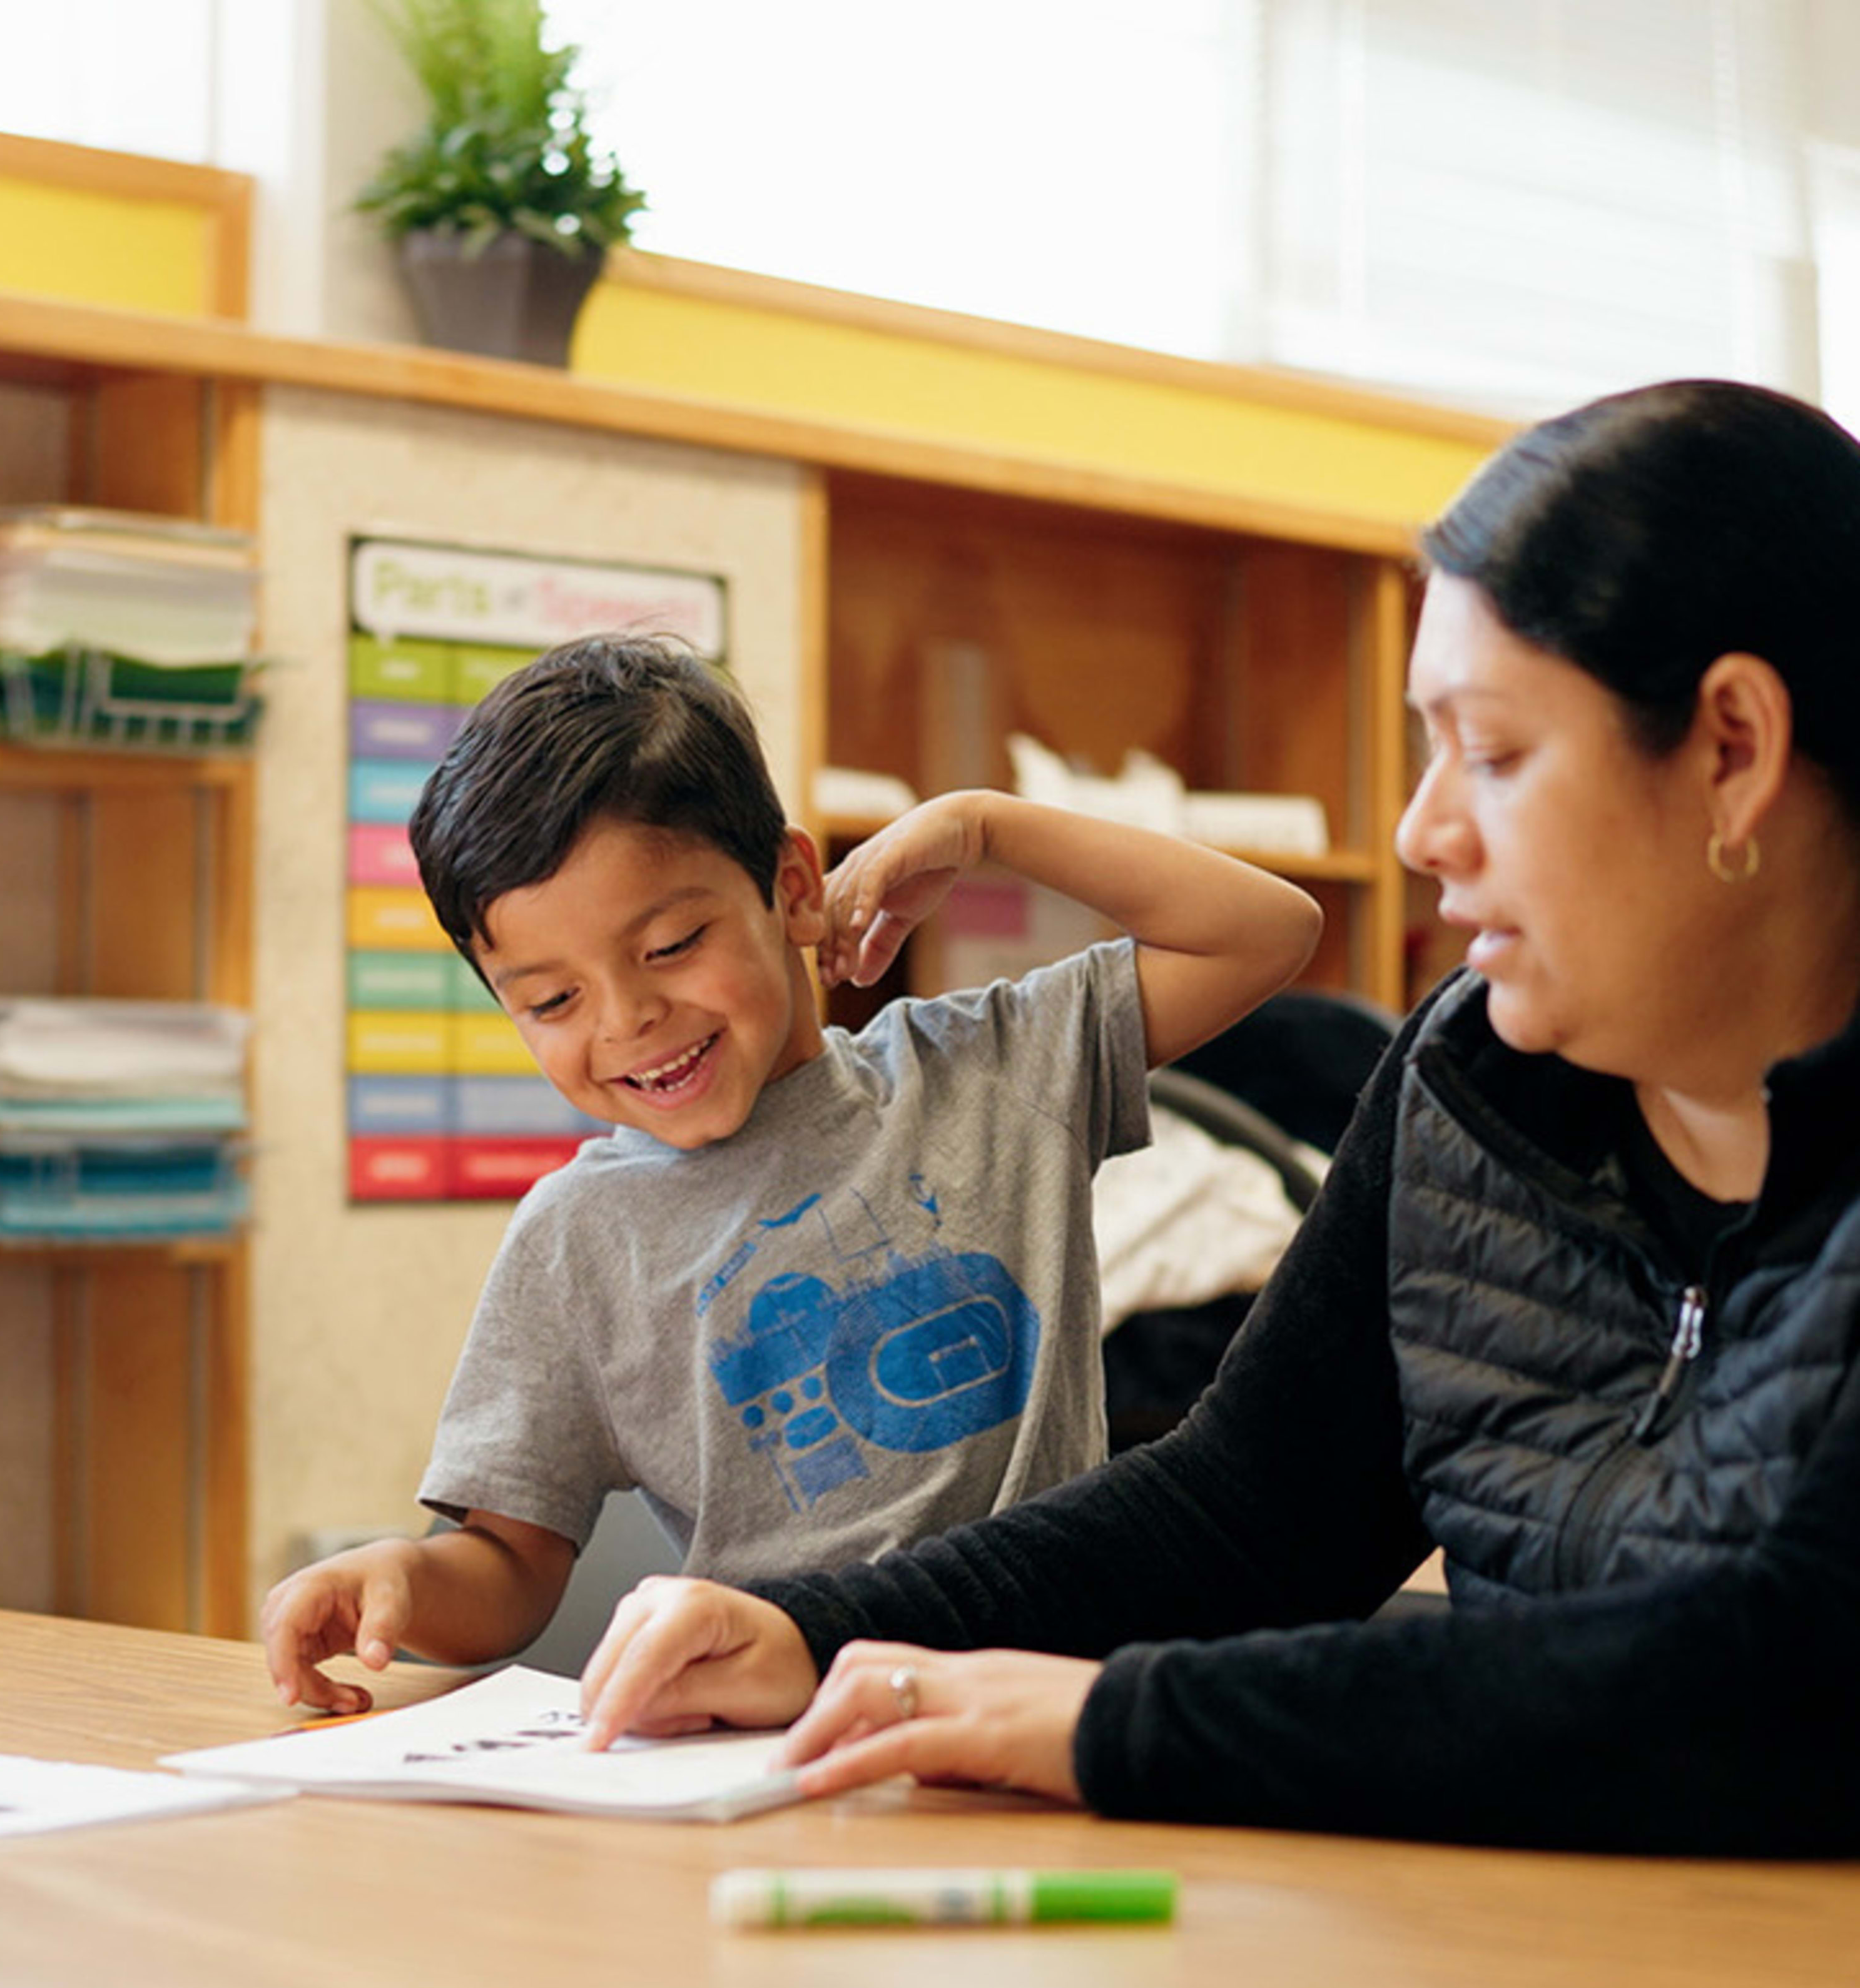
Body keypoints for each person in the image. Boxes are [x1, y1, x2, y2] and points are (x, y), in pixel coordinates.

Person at [579, 379, 1860, 1857]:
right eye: (1427, 748)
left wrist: (1112, 1723)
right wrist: (813, 1633)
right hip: (1568, 1985)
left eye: (1494, 754)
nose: (1422, 829)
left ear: (1733, 750)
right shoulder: (1474, 1086)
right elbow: (1250, 1513)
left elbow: (1785, 1671)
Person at [264, 633, 1321, 1708]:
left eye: (672, 944)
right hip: (771, 1741)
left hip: (1042, 1709)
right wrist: (400, 1578)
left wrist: (984, 822)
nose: (628, 1019)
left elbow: (1266, 932)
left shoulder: (992, 1071)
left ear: (793, 889)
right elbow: (511, 1560)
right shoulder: (577, 1238)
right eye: (551, 1001)